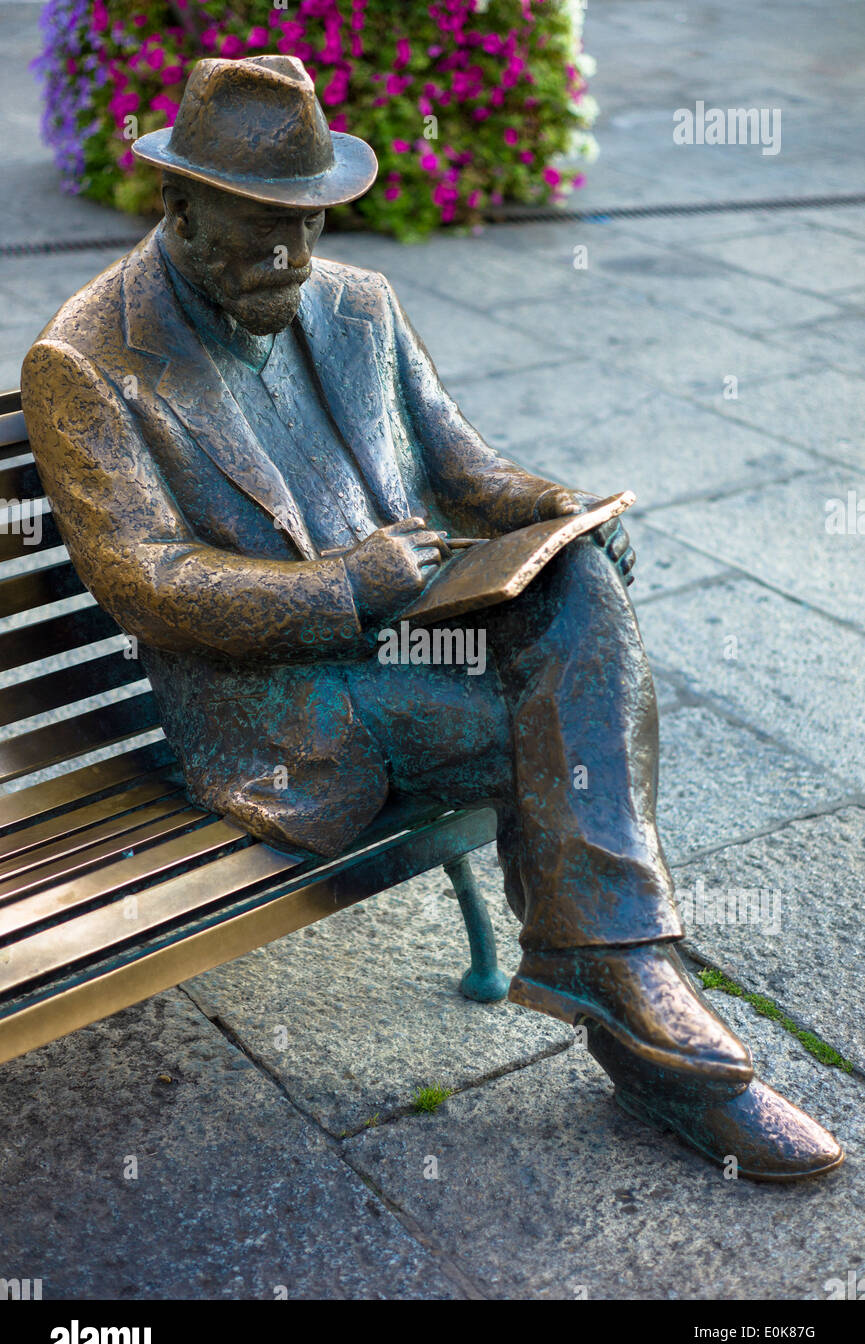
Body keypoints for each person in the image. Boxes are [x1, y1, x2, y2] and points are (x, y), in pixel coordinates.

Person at [21, 54, 842, 1180]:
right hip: (279, 703)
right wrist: (343, 588)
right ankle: (650, 1017)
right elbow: (145, 582)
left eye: (310, 224)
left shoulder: (358, 305)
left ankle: (624, 977)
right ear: (179, 204)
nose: (295, 258)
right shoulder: (88, 359)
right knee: (560, 739)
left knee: (580, 584)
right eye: (264, 228)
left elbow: (464, 466)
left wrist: (554, 507)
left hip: (419, 630)